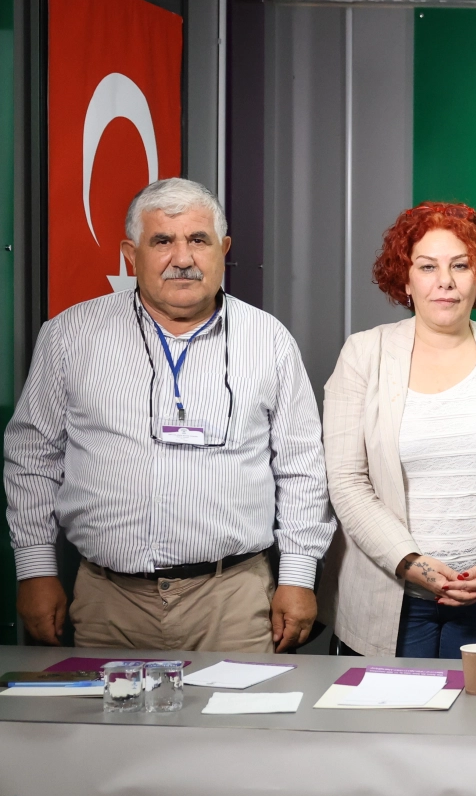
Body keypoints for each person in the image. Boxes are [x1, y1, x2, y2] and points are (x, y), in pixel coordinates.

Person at [3, 178, 333, 652]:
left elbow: (302, 467)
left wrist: (299, 576)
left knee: (241, 706)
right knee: (105, 706)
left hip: (233, 600)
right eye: (162, 241)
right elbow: (32, 458)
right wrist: (35, 570)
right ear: (130, 255)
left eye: (198, 240)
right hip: (107, 601)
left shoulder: (269, 340)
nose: (182, 258)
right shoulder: (70, 335)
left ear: (223, 250)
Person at [321, 202, 476, 659]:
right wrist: (412, 564)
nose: (445, 281)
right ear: (405, 280)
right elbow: (347, 481)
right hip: (393, 601)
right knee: (391, 709)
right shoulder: (363, 355)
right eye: (427, 267)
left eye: (460, 265)